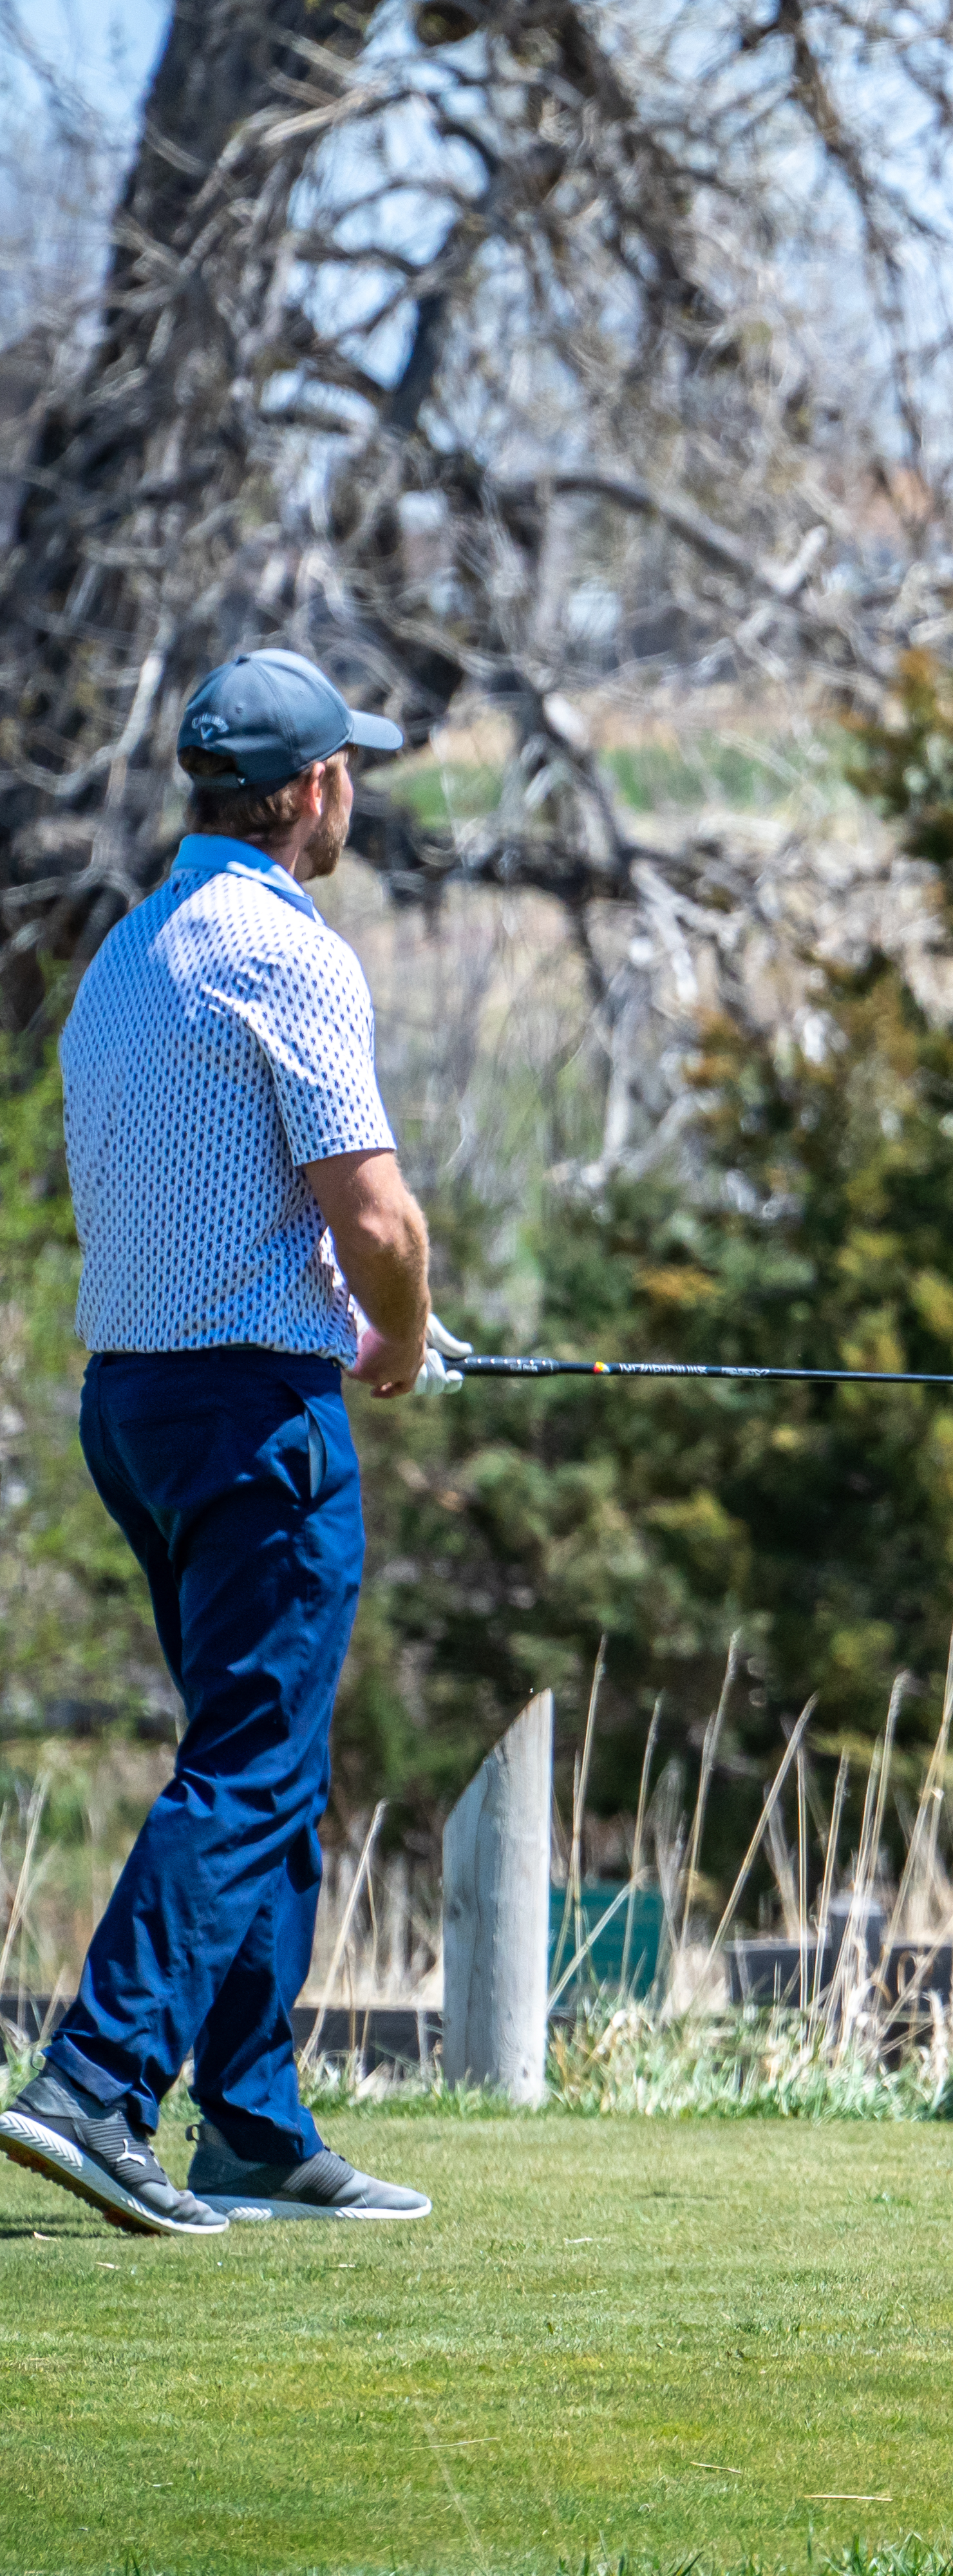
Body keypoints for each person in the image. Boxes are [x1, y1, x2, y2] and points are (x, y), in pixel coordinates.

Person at [3, 650, 448, 2236]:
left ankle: (252, 2119)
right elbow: (375, 1209)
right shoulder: (289, 953)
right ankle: (99, 2082)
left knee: (265, 1755)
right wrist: (395, 1324)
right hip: (254, 1410)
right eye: (352, 773)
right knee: (252, 1760)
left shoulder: (127, 953)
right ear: (314, 788)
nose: (357, 795)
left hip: (132, 1401)